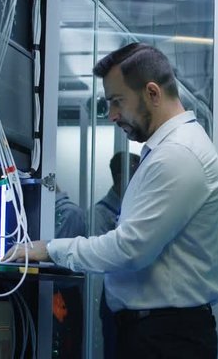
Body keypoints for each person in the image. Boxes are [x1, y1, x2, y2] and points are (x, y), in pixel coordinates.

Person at [5, 42, 218, 358]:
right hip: (158, 332)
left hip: (166, 339)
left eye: (117, 102)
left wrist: (49, 249)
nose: (111, 115)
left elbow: (130, 249)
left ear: (153, 93)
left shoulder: (178, 154)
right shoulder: (168, 150)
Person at [91, 151, 140, 359]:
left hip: (138, 296)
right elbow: (104, 257)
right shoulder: (100, 213)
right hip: (114, 296)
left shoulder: (137, 208)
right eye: (137, 175)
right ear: (122, 178)